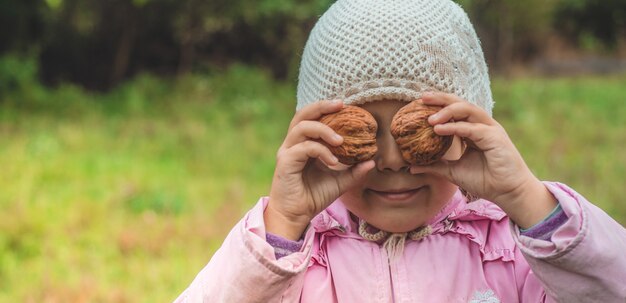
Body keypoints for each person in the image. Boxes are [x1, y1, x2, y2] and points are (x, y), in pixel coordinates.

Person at [175, 0, 626, 302]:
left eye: (421, 132)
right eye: (364, 136)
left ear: (471, 129)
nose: (392, 161)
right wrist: (281, 226)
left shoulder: (517, 255)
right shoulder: (292, 262)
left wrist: (530, 201)